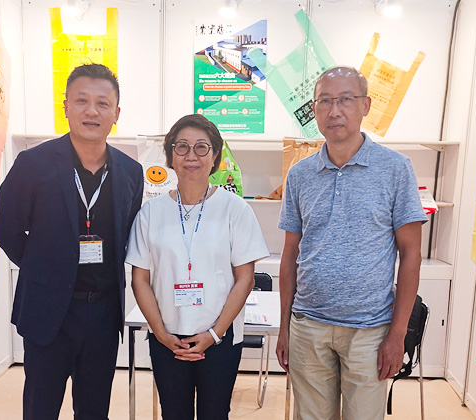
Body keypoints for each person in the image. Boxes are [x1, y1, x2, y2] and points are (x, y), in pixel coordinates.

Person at [277, 66, 428, 420]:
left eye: (345, 99)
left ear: (365, 106)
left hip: (370, 330)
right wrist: (285, 327)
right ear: (314, 110)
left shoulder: (395, 168)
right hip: (309, 325)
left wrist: (397, 334)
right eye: (325, 101)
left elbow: (411, 255)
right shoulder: (299, 175)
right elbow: (290, 255)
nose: (334, 111)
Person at [0, 64, 143, 419]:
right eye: (81, 101)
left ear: (116, 113)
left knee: (94, 411)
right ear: (65, 107)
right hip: (48, 311)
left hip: (103, 314)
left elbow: (127, 233)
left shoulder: (130, 172)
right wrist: (45, 270)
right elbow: (7, 230)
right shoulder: (32, 164)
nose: (92, 111)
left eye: (102, 103)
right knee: (40, 409)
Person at [126, 114, 269, 420]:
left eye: (201, 147)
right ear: (170, 156)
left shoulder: (235, 209)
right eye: (182, 147)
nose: (191, 156)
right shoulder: (150, 212)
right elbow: (140, 279)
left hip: (219, 339)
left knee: (215, 413)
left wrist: (215, 334)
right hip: (167, 339)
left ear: (215, 156)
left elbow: (245, 279)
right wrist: (161, 334)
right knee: (173, 413)